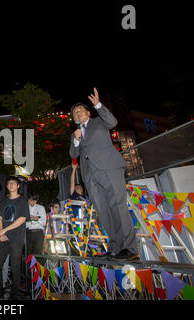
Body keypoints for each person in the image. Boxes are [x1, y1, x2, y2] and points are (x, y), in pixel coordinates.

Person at [69, 87, 139, 261]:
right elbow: (73, 154)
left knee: (118, 205)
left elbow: (112, 122)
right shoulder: (75, 134)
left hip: (109, 169)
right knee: (103, 211)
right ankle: (115, 248)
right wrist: (76, 141)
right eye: (74, 113)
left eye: (80, 110)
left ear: (87, 112)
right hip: (90, 177)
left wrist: (99, 104)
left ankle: (130, 249)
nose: (77, 114)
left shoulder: (99, 121)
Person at [0, 176, 30, 300]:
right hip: (3, 238)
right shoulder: (3, 201)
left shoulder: (23, 200)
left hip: (16, 239)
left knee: (15, 268)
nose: (11, 185)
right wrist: (1, 233)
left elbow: (22, 219)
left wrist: (5, 230)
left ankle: (14, 296)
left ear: (18, 186)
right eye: (9, 183)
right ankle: (0, 292)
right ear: (7, 187)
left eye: (13, 183)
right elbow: (0, 218)